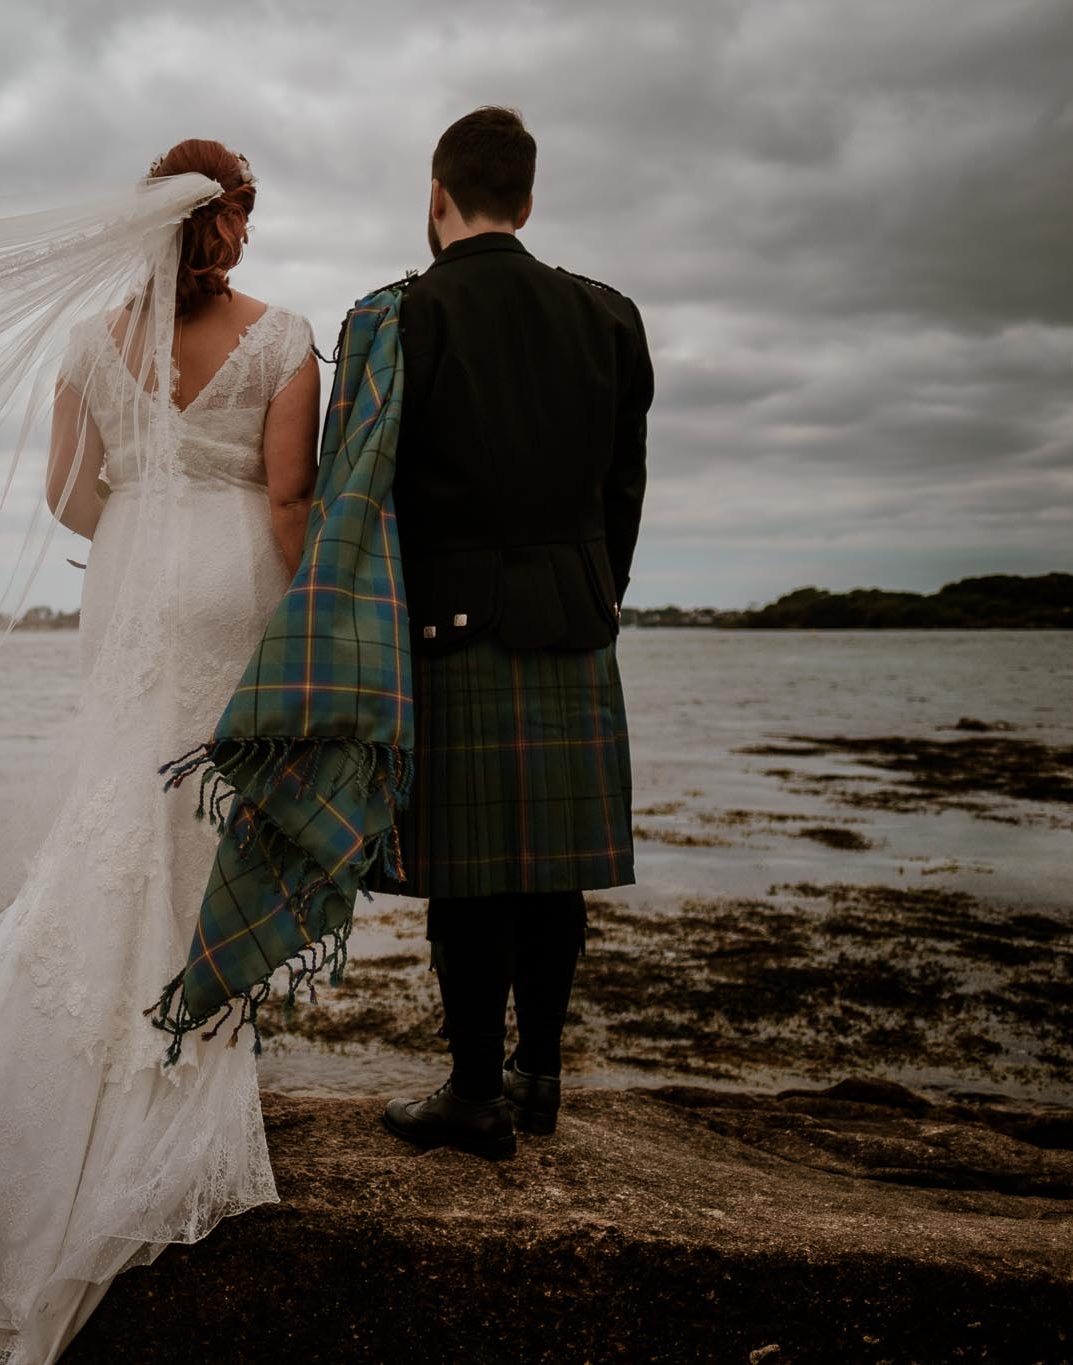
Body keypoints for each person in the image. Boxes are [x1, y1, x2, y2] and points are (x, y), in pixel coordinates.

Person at [0, 138, 321, 1364]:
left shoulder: (87, 344)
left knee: (118, 799)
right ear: (227, 220)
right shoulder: (283, 337)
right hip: (233, 578)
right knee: (208, 816)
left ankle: (72, 1066)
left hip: (127, 577)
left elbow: (70, 499)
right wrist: (312, 632)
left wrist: (142, 512)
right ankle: (182, 1052)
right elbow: (291, 501)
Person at [372, 107, 654, 1158]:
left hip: (447, 625)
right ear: (526, 203)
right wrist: (595, 586)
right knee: (551, 871)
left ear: (435, 198)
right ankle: (540, 1078)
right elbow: (621, 483)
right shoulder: (609, 316)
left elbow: (368, 493)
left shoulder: (397, 318)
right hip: (576, 615)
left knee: (467, 872)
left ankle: (472, 1093)